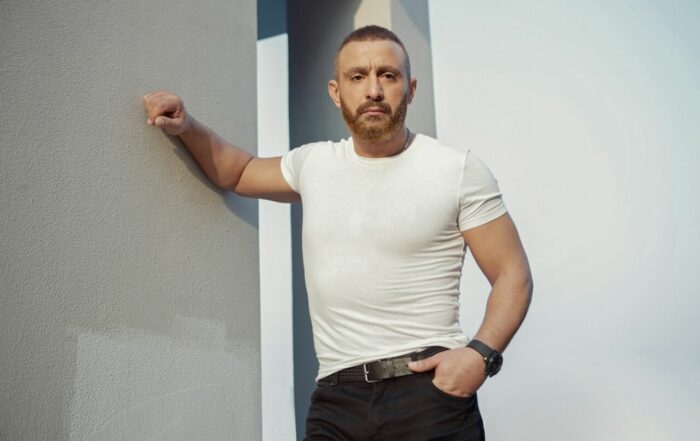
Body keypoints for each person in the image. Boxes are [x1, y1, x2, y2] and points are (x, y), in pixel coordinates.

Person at [143, 25, 532, 441]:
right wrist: (187, 126)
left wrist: (480, 356)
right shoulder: (313, 165)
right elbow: (237, 172)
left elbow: (512, 274)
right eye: (357, 76)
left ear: (411, 88)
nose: (373, 90)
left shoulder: (457, 170)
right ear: (336, 91)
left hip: (430, 396)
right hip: (335, 400)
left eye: (388, 75)